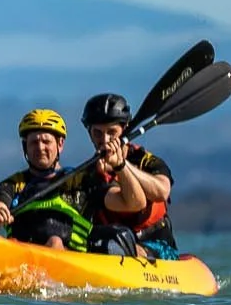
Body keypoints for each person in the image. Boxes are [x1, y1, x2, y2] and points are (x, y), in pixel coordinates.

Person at [56, 92, 179, 258]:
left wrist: (121, 165)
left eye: (112, 132)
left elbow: (162, 191)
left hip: (156, 244)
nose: (105, 140)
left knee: (121, 245)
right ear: (89, 133)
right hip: (114, 243)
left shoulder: (146, 160)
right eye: (98, 133)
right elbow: (130, 203)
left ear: (124, 129)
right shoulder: (91, 175)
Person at [0, 109, 75, 247]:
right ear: (25, 146)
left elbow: (112, 200)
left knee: (55, 242)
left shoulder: (79, 180)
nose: (40, 147)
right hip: (22, 257)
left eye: (46, 141)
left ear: (60, 144)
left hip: (71, 256)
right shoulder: (13, 184)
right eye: (34, 142)